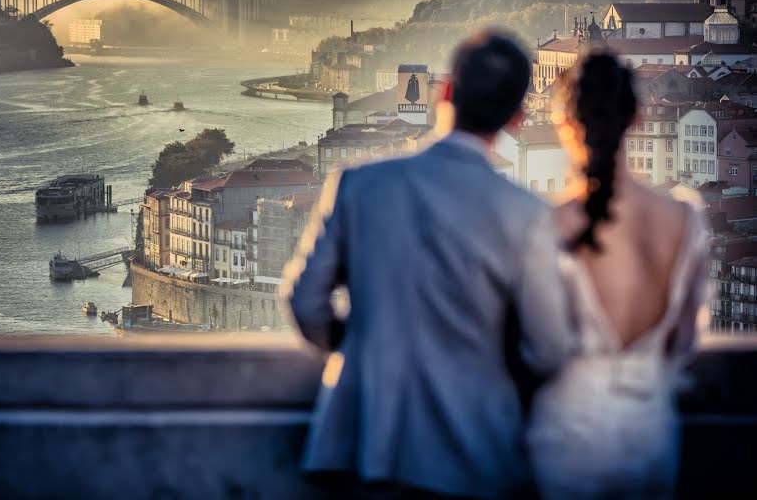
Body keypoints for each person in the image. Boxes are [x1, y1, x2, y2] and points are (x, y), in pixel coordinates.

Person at [281, 30, 575, 498]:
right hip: (475, 451)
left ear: (444, 91)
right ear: (517, 118)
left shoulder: (358, 185)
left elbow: (306, 302)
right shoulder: (526, 213)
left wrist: (363, 345)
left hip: (367, 443)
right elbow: (550, 349)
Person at [527, 49, 709, 499]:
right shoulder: (685, 218)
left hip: (569, 436)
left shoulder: (547, 224)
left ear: (565, 124)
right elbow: (683, 343)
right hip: (650, 436)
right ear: (637, 119)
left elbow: (541, 350)